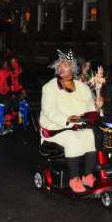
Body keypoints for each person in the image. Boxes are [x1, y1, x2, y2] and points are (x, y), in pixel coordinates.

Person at [39, 49, 103, 193]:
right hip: (55, 128)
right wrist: (68, 120)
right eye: (59, 65)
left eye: (66, 65)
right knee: (72, 138)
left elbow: (91, 112)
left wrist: (98, 108)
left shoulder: (83, 88)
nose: (61, 68)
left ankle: (87, 175)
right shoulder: (49, 88)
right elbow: (50, 112)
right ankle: (74, 178)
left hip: (77, 125)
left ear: (73, 68)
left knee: (92, 135)